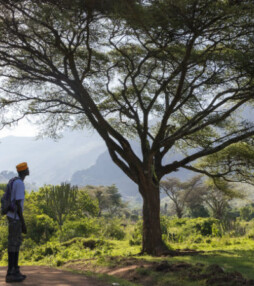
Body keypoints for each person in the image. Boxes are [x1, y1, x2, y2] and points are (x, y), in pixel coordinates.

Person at [6, 162, 29, 283]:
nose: (28, 170)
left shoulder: (14, 181)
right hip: (16, 218)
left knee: (13, 244)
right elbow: (19, 206)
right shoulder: (19, 183)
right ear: (24, 171)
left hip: (12, 216)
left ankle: (14, 271)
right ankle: (11, 272)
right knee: (14, 244)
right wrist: (23, 223)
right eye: (27, 169)